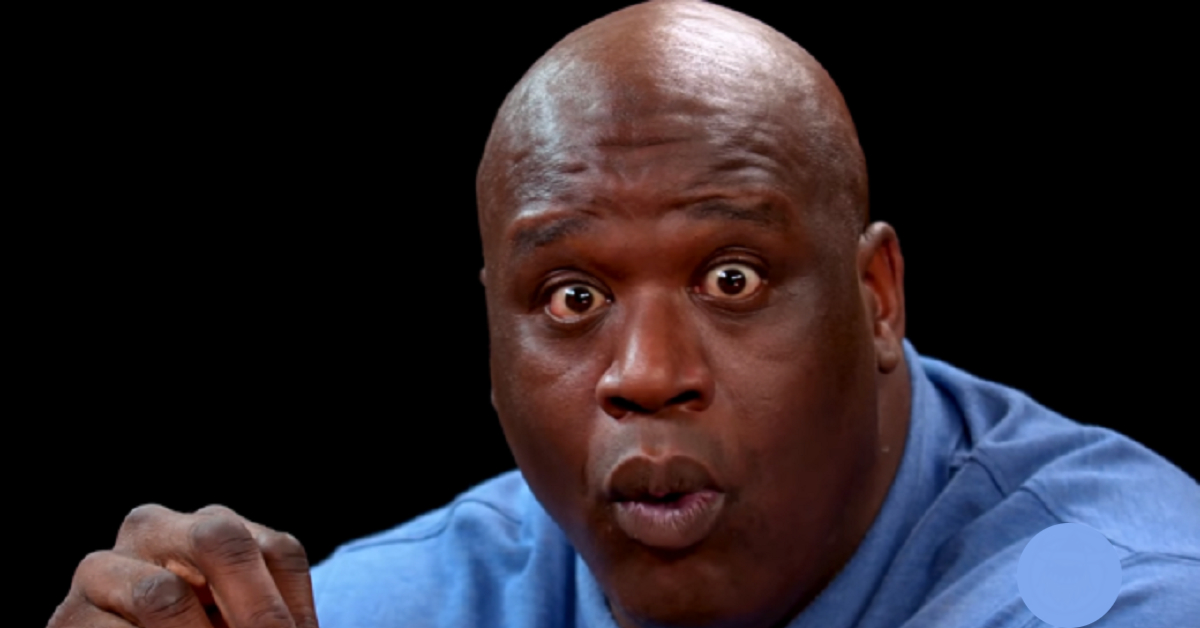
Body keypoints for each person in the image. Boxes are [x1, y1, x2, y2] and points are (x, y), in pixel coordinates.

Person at [48, 1, 1199, 627]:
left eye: (732, 279)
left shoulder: (1117, 587)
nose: (646, 373)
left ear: (876, 296)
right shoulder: (417, 598)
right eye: (573, 297)